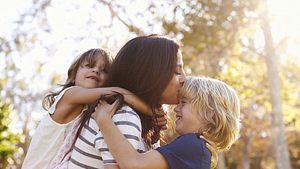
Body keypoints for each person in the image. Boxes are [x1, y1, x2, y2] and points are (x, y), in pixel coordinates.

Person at [67, 34, 186, 169]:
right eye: (177, 71)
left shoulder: (135, 117)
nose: (184, 79)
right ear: (150, 74)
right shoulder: (123, 116)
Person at [21, 48, 148, 169]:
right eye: (89, 65)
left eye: (104, 70)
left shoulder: (90, 111)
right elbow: (118, 93)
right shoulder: (69, 95)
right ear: (73, 76)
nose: (96, 71)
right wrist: (150, 111)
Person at [94, 76, 241, 169]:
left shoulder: (192, 145)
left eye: (183, 103)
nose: (176, 108)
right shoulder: (199, 148)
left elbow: (133, 164)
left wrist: (104, 120)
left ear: (208, 112)